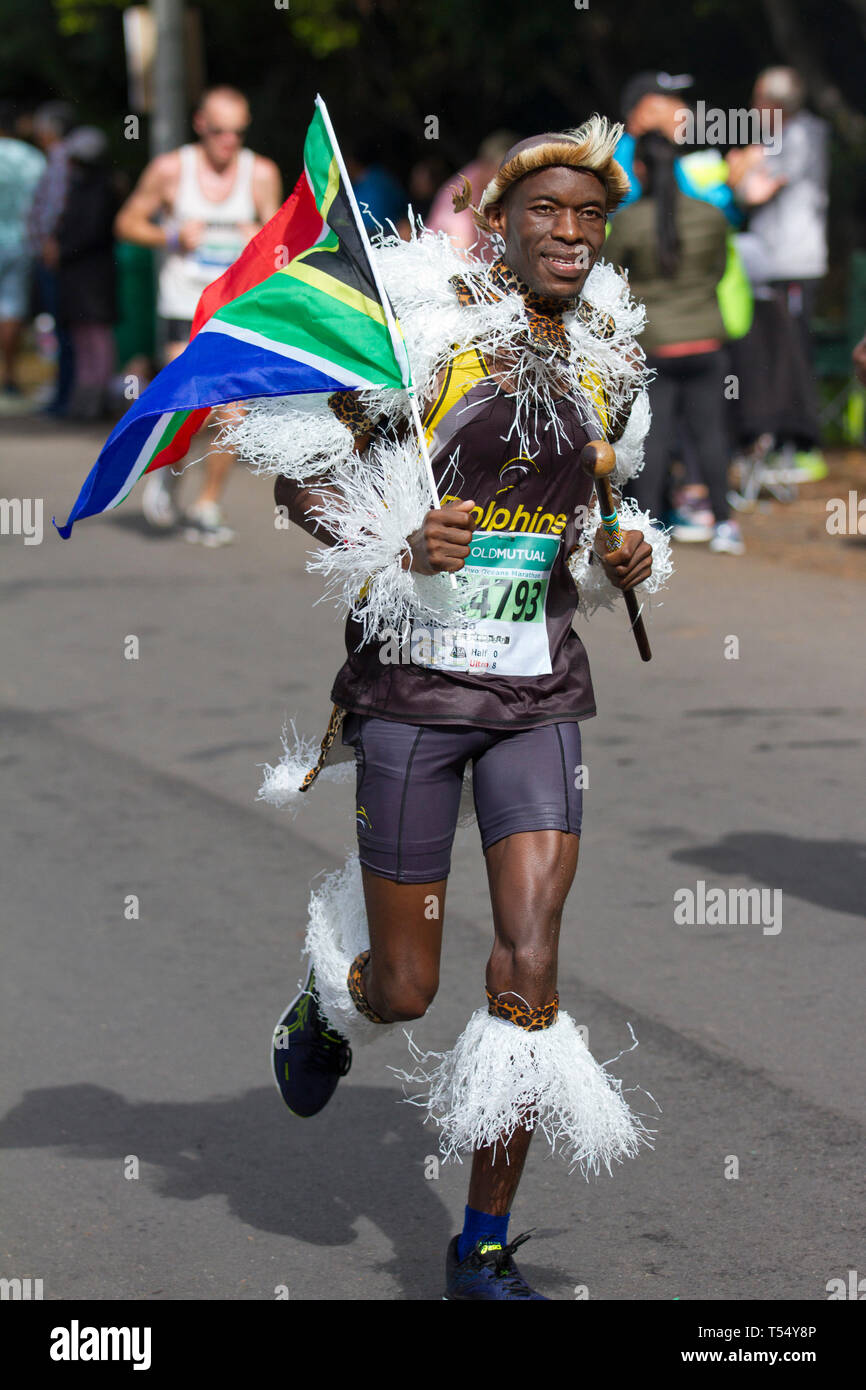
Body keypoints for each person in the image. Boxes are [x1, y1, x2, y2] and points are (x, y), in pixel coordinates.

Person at [225, 117, 672, 1299]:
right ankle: (330, 1002)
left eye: (587, 217)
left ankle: (479, 1248)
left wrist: (629, 554)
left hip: (537, 698)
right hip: (414, 691)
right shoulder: (427, 348)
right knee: (408, 987)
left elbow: (598, 507)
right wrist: (399, 535)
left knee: (528, 974)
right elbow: (301, 481)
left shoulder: (609, 364)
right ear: (501, 221)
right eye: (545, 213)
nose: (568, 235)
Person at [113, 84, 282, 543]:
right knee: (192, 405)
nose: (229, 141)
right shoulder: (172, 169)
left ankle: (207, 503)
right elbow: (126, 221)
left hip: (234, 312)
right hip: (182, 307)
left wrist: (259, 240)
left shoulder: (260, 173)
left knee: (233, 414)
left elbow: (280, 245)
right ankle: (167, 467)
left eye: (239, 132)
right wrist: (170, 237)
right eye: (221, 131)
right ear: (200, 125)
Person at [604, 131, 744, 554]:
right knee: (712, 434)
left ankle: (647, 526)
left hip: (655, 345)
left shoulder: (628, 221)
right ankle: (724, 523)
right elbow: (719, 270)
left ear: (639, 168)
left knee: (654, 435)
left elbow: (610, 279)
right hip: (706, 341)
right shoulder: (711, 216)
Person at [726, 67, 829, 479]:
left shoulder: (799, 135)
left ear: (774, 104)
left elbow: (752, 190)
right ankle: (779, 441)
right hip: (774, 265)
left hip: (794, 264)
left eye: (758, 100)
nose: (752, 107)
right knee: (776, 354)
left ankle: (804, 445)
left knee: (795, 355)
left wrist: (741, 165)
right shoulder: (777, 137)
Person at [55, 128, 118, 421]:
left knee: (96, 337)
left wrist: (62, 250)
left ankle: (96, 398)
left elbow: (90, 232)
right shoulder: (84, 188)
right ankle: (84, 399)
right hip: (80, 276)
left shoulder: (100, 190)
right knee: (84, 338)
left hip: (92, 276)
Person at [27, 100, 77, 414]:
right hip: (52, 250)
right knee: (60, 326)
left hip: (52, 252)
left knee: (62, 327)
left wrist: (49, 241)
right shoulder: (61, 157)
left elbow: (55, 206)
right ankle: (63, 394)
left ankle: (64, 397)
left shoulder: (60, 158)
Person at [0, 100, 45, 396]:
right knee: (12, 308)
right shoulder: (33, 159)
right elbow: (45, 205)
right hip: (20, 242)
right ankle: (9, 374)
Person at [426, 130, 518, 256]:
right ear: (485, 166)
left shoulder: (503, 189)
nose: (509, 181)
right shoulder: (459, 195)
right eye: (504, 174)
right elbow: (460, 257)